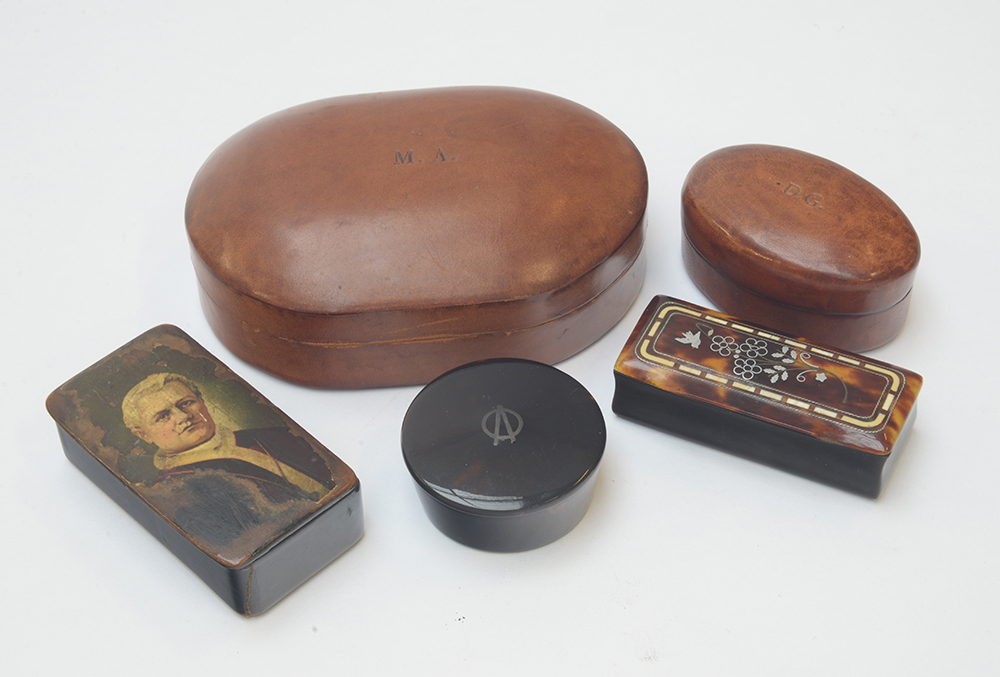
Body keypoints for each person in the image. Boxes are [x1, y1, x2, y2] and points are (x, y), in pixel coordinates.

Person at [121, 373, 334, 506]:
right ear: (143, 435)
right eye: (163, 416)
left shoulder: (272, 435)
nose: (183, 417)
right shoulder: (176, 488)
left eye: (186, 403)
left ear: (202, 402)